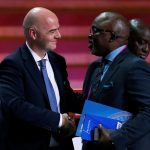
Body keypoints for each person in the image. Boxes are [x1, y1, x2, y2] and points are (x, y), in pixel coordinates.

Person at [0, 7, 83, 150]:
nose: (59, 35)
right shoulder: (12, 65)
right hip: (29, 144)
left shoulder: (58, 61)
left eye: (58, 29)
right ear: (33, 33)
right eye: (52, 31)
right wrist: (58, 121)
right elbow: (15, 105)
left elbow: (67, 97)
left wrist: (100, 109)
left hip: (62, 143)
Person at [81, 12, 150, 150]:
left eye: (95, 31)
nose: (146, 49)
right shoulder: (96, 66)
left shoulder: (136, 67)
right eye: (141, 42)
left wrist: (115, 138)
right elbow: (89, 103)